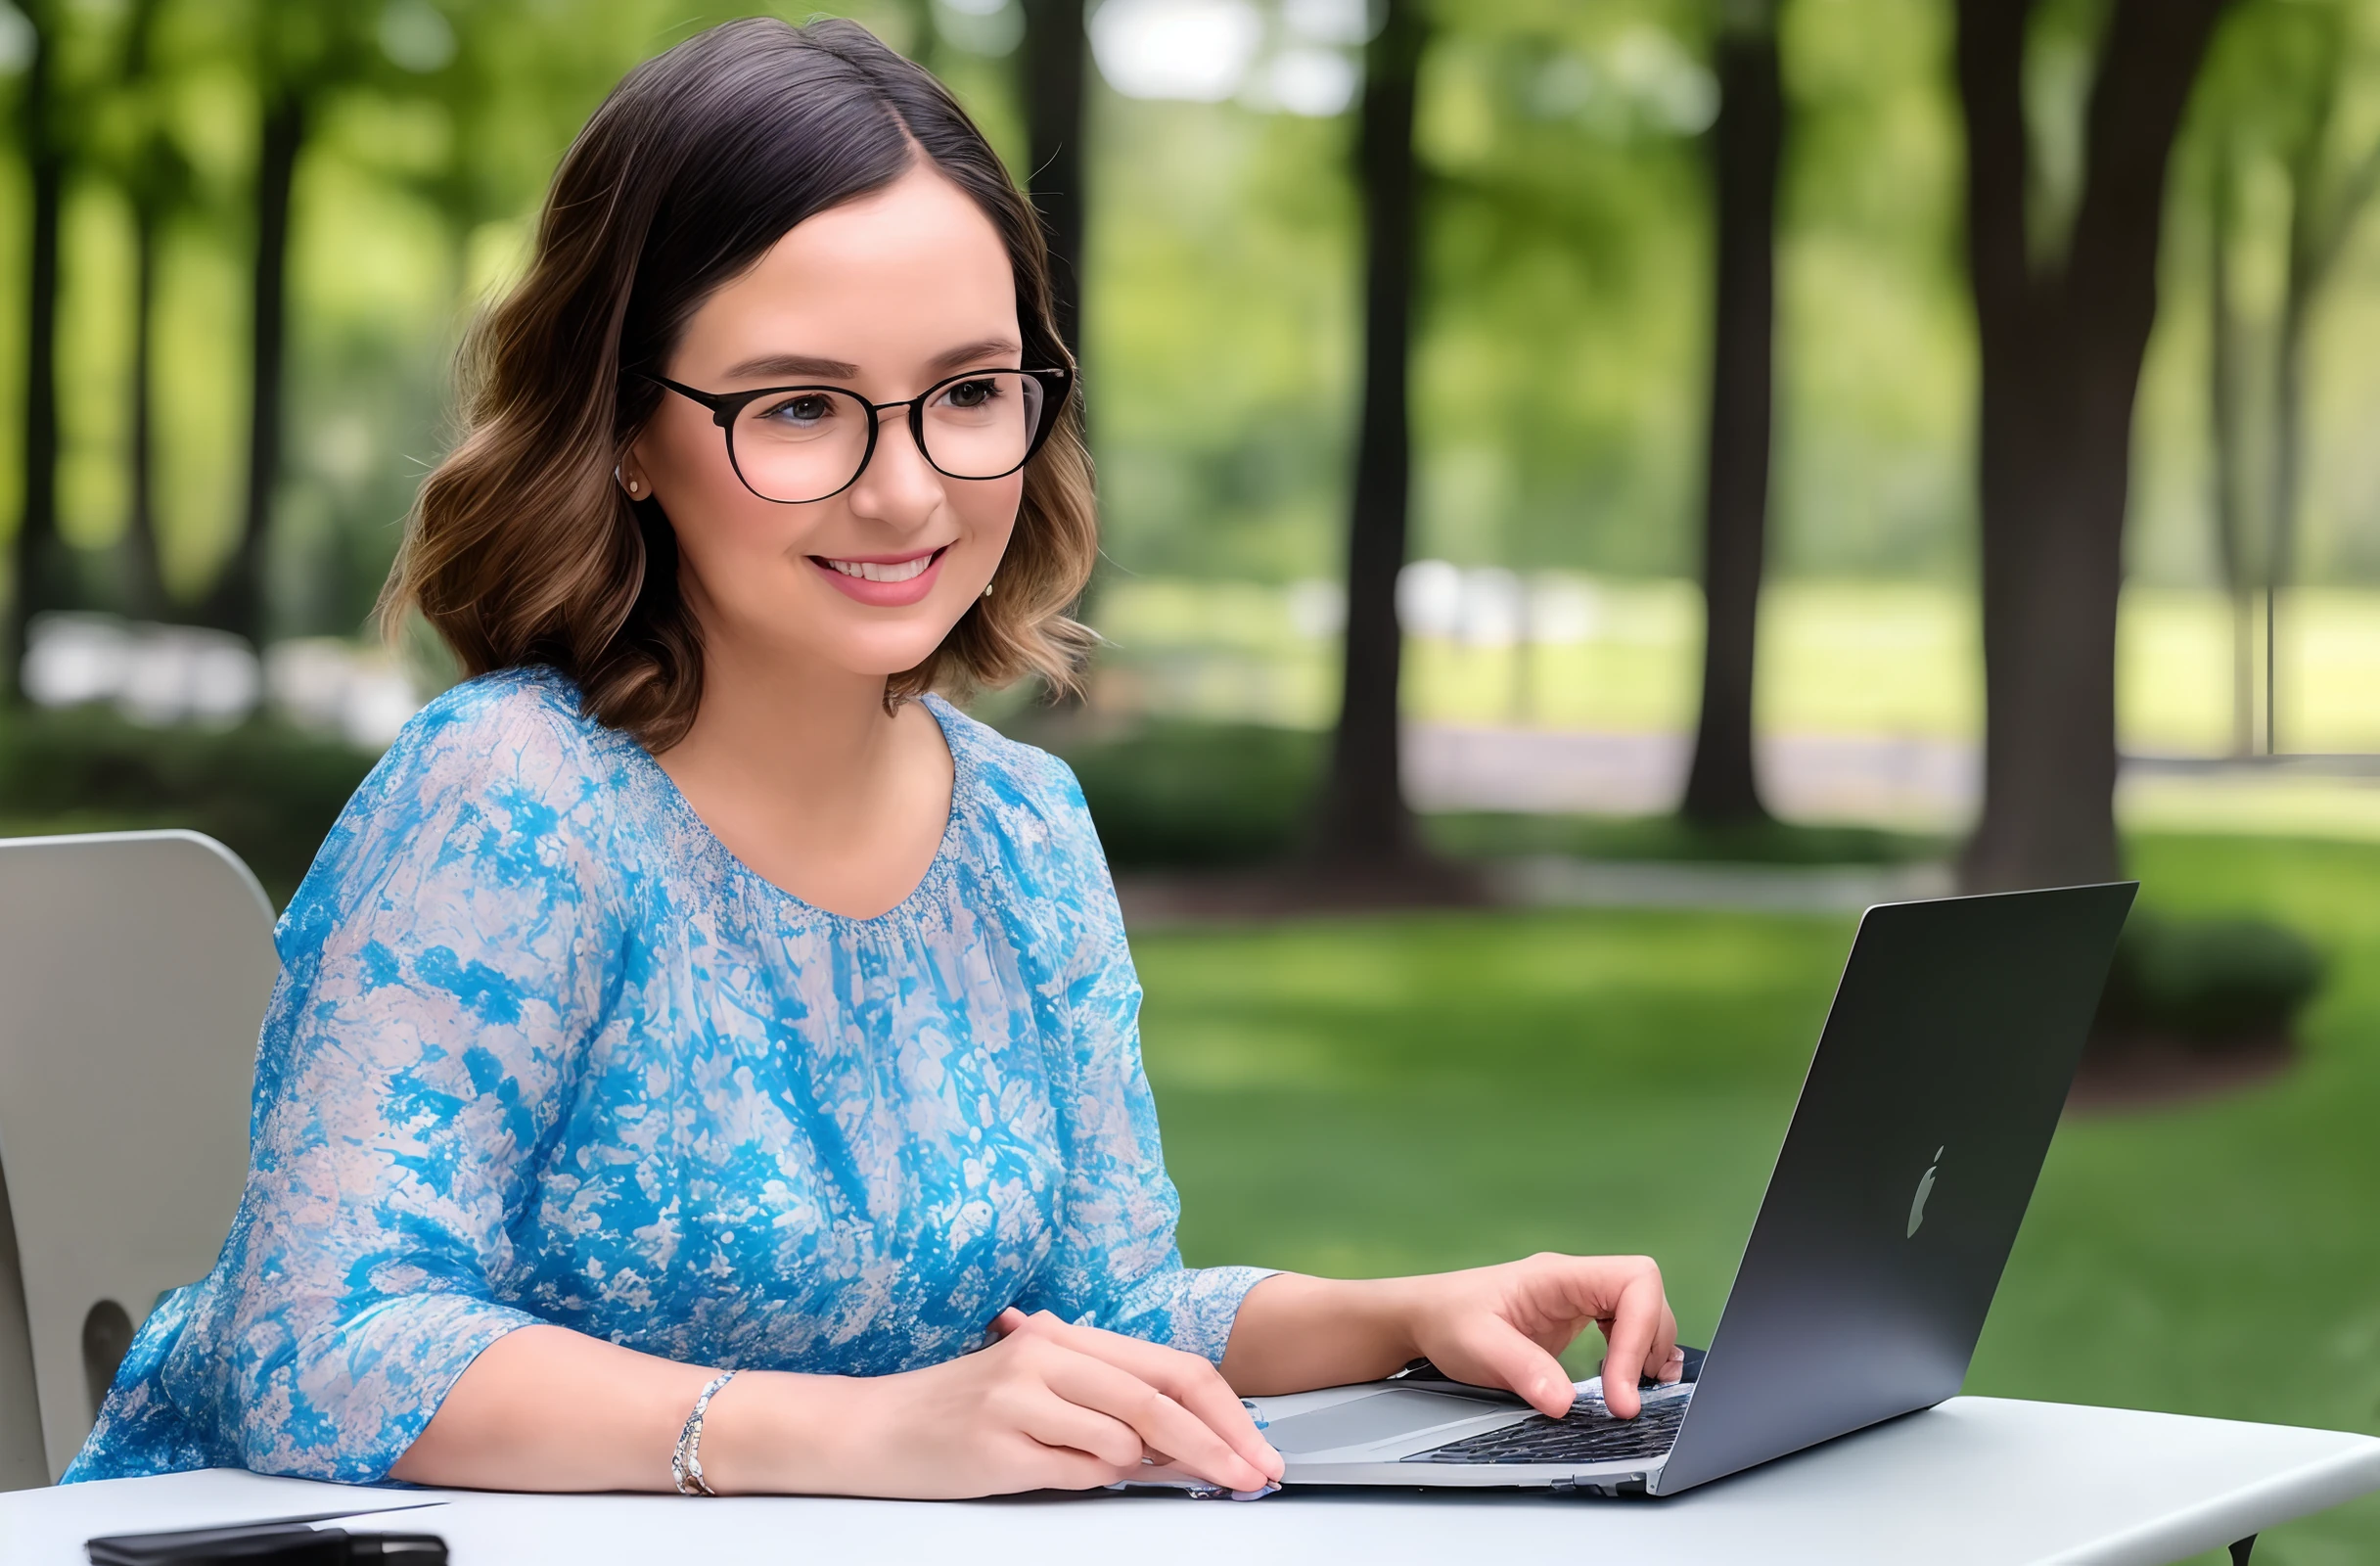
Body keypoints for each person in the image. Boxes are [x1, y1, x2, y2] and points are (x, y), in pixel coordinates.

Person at [66, 18, 1679, 1499]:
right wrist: (843, 1432)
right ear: (626, 430)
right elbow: (323, 1347)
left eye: (969, 393)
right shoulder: (508, 803)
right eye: (798, 411)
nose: (907, 492)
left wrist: (1414, 1315)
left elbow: (1108, 1313)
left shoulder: (1028, 829)